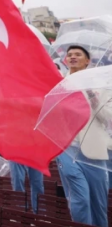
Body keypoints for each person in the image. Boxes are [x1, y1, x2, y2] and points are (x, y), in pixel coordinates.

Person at [57, 45, 109, 227]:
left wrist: (93, 98)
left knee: (99, 204)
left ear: (87, 61)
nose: (72, 57)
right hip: (67, 148)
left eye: (78, 54)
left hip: (94, 151)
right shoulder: (57, 85)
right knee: (80, 199)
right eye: (69, 55)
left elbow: (108, 120)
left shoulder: (101, 86)